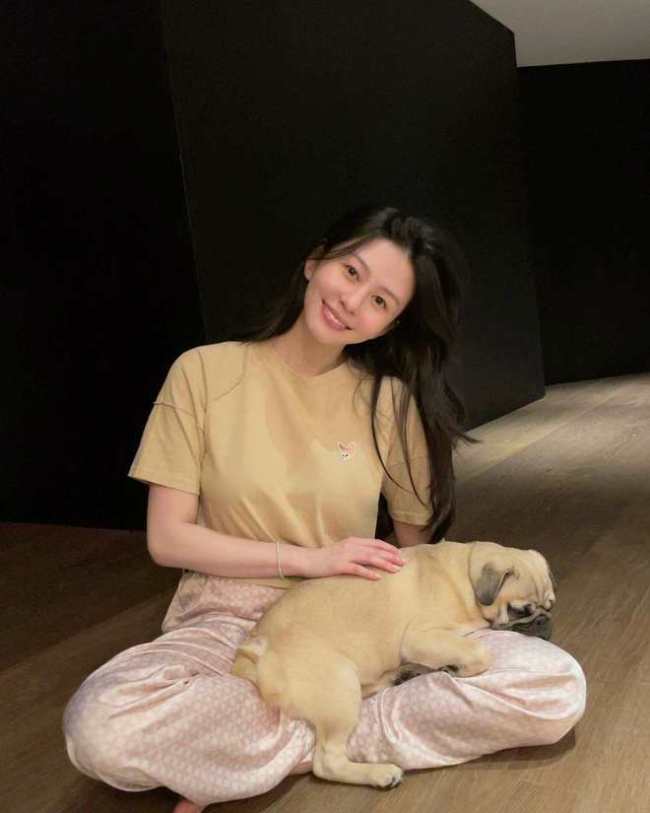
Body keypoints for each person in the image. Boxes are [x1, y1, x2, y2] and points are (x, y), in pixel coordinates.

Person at [62, 205, 586, 813]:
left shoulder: (389, 401)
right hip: (227, 621)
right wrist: (309, 559)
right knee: (101, 725)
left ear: (390, 324)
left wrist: (447, 611)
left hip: (360, 624)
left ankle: (298, 738)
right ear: (316, 262)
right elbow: (168, 539)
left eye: (381, 301)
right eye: (351, 272)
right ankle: (335, 729)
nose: (353, 301)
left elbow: (416, 555)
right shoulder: (202, 372)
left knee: (554, 688)